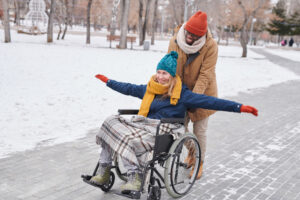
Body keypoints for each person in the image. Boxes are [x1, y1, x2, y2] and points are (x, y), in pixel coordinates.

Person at [90, 51, 258, 191]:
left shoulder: (183, 94)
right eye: (159, 72)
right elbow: (128, 88)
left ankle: (135, 177)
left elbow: (211, 101)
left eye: (165, 73)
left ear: (172, 75)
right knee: (110, 122)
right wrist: (108, 81)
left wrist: (240, 107)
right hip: (144, 124)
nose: (160, 77)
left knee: (128, 138)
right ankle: (104, 170)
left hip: (166, 130)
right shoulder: (150, 89)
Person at [167, 11, 219, 179]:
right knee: (179, 127)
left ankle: (199, 162)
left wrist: (194, 98)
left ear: (202, 35)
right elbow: (170, 66)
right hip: (180, 91)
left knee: (200, 130)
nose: (190, 37)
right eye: (189, 33)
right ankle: (192, 151)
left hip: (203, 93)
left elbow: (205, 75)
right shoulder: (176, 40)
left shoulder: (211, 46)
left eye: (195, 35)